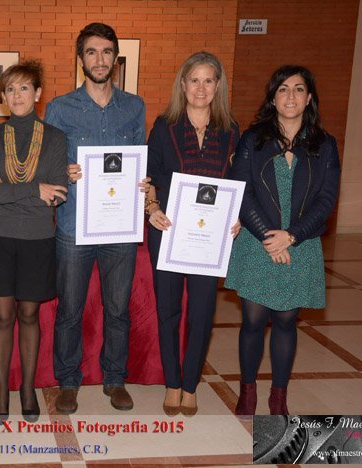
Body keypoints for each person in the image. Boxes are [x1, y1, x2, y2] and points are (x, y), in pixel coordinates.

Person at [225, 65, 341, 415]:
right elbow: (242, 191)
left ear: (309, 98)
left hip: (300, 243)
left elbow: (326, 199)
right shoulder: (253, 140)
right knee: (252, 321)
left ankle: (278, 396)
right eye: (283, 89)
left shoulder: (325, 145)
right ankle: (247, 392)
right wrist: (268, 237)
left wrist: (291, 236)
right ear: (273, 98)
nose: (291, 96)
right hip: (257, 241)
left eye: (299, 89)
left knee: (287, 321)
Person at [45, 23, 147, 414]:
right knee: (69, 310)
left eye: (106, 52)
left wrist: (143, 182)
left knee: (118, 309)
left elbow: (139, 161)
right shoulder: (60, 108)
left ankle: (115, 378)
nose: (99, 59)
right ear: (81, 59)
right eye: (91, 52)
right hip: (74, 225)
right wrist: (62, 171)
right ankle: (68, 381)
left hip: (120, 227)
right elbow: (48, 166)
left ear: (115, 59)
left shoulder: (134, 107)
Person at [0, 60, 68, 424]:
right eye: (10, 89)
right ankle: (0, 390)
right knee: (2, 316)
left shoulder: (55, 138)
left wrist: (9, 189)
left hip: (37, 238)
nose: (17, 95)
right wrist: (34, 189)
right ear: (3, 96)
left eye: (24, 87)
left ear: (38, 94)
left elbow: (57, 195)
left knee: (29, 314)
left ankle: (27, 388)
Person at [145, 51, 240, 416]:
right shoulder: (164, 125)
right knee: (168, 310)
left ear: (218, 86)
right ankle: (172, 383)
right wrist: (152, 209)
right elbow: (150, 175)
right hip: (168, 231)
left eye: (208, 80)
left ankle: (190, 385)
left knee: (202, 312)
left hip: (210, 239)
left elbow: (238, 181)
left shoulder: (230, 129)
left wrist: (237, 217)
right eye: (194, 80)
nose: (201, 88)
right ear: (183, 84)